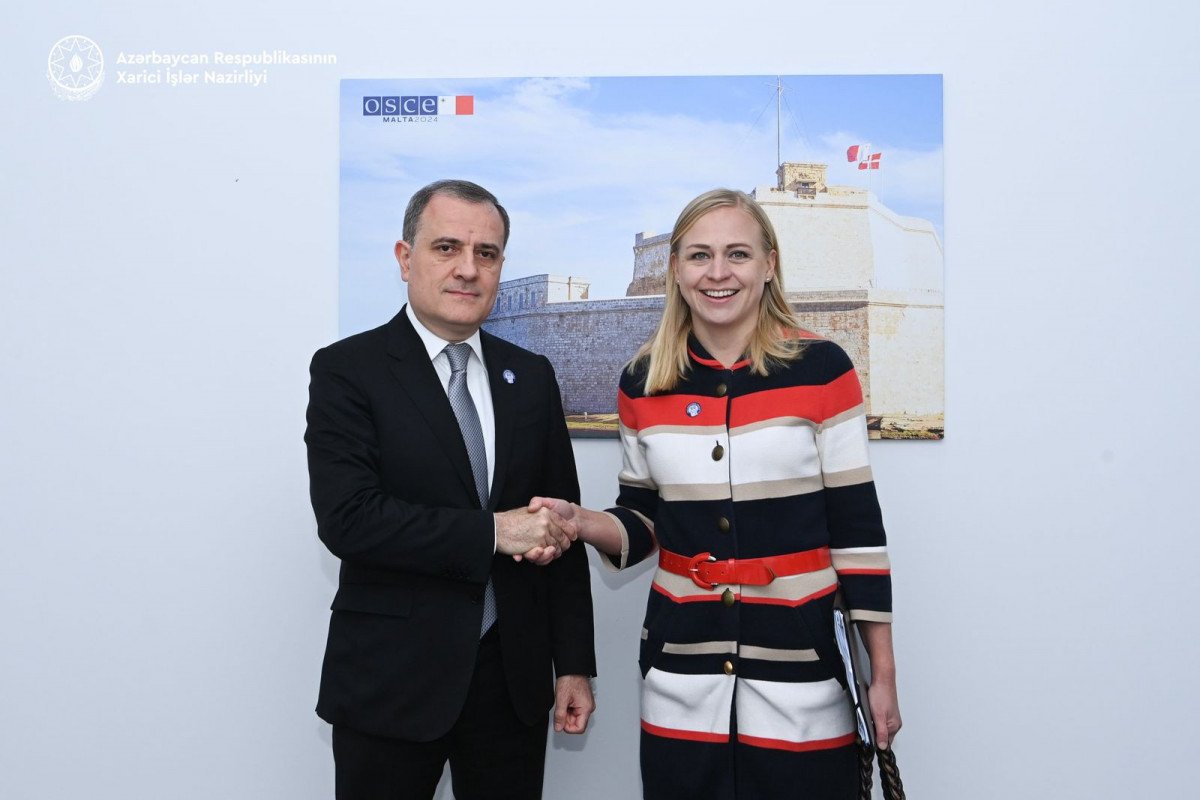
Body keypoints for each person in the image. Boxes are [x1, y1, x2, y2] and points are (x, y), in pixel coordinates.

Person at [532, 189, 901, 799]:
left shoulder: (823, 369)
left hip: (804, 669)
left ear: (769, 264)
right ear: (676, 269)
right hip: (681, 673)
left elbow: (858, 531)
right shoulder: (642, 381)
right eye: (700, 255)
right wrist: (579, 521)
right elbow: (643, 518)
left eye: (738, 254)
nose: (718, 272)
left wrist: (881, 673)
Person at [305, 179, 596, 800]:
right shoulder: (347, 370)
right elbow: (349, 519)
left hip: (512, 681)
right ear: (405, 258)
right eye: (446, 248)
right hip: (391, 680)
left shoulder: (531, 376)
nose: (468, 269)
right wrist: (494, 532)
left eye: (486, 253)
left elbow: (561, 525)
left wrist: (573, 664)